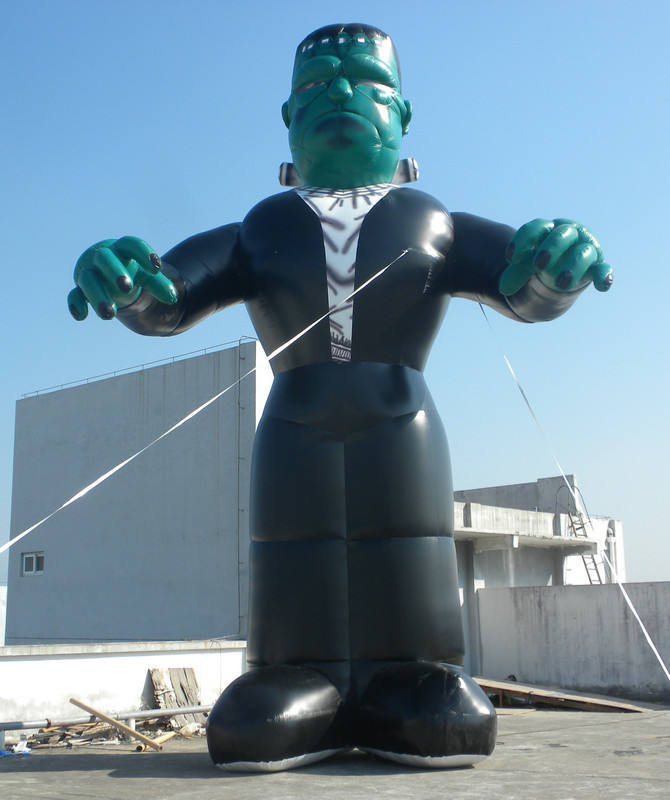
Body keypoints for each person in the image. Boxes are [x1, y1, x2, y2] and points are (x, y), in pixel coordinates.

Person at [68, 23, 612, 772]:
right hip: (295, 416)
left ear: (404, 115)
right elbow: (172, 297)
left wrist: (554, 268)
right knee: (291, 545)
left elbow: (522, 284)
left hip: (399, 413)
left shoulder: (431, 220)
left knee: (411, 540)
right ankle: (293, 675)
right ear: (288, 119)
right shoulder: (262, 227)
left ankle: (415, 674)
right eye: (318, 84)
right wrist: (130, 283)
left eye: (369, 81)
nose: (343, 92)